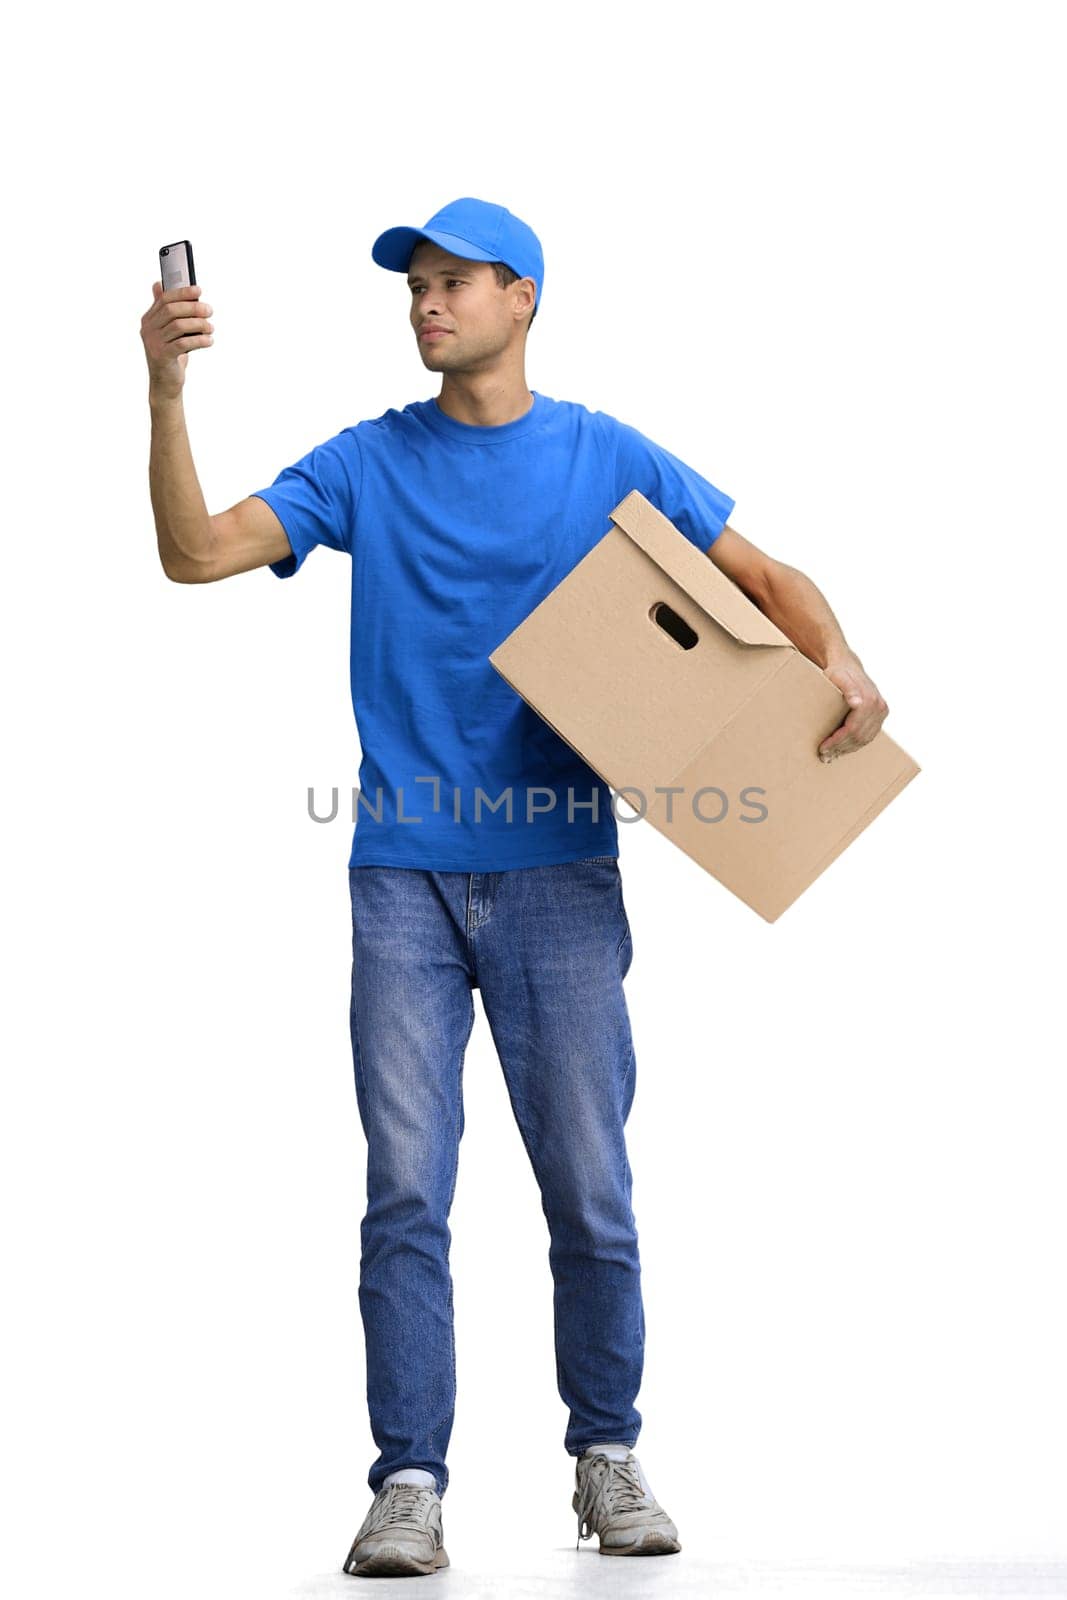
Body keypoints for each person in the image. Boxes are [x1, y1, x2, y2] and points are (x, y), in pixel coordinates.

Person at [141, 196, 889, 1579]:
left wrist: (836, 663)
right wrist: (166, 386)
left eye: (452, 283)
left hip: (558, 873)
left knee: (590, 1189)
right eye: (414, 287)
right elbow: (193, 552)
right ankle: (408, 1482)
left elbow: (767, 576)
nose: (426, 304)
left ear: (523, 296)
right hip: (403, 883)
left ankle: (607, 1454)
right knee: (406, 1194)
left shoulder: (602, 454)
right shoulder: (367, 464)